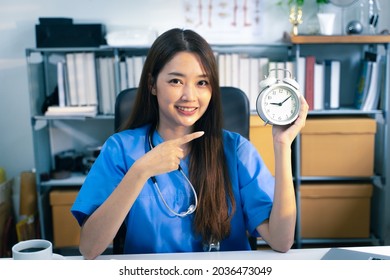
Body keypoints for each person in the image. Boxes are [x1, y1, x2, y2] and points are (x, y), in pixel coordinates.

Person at [71, 28, 309, 260]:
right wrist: (140, 171)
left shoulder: (236, 150)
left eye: (202, 83)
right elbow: (89, 248)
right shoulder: (121, 149)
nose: (190, 96)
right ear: (152, 84)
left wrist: (282, 144)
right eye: (176, 81)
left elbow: (281, 240)